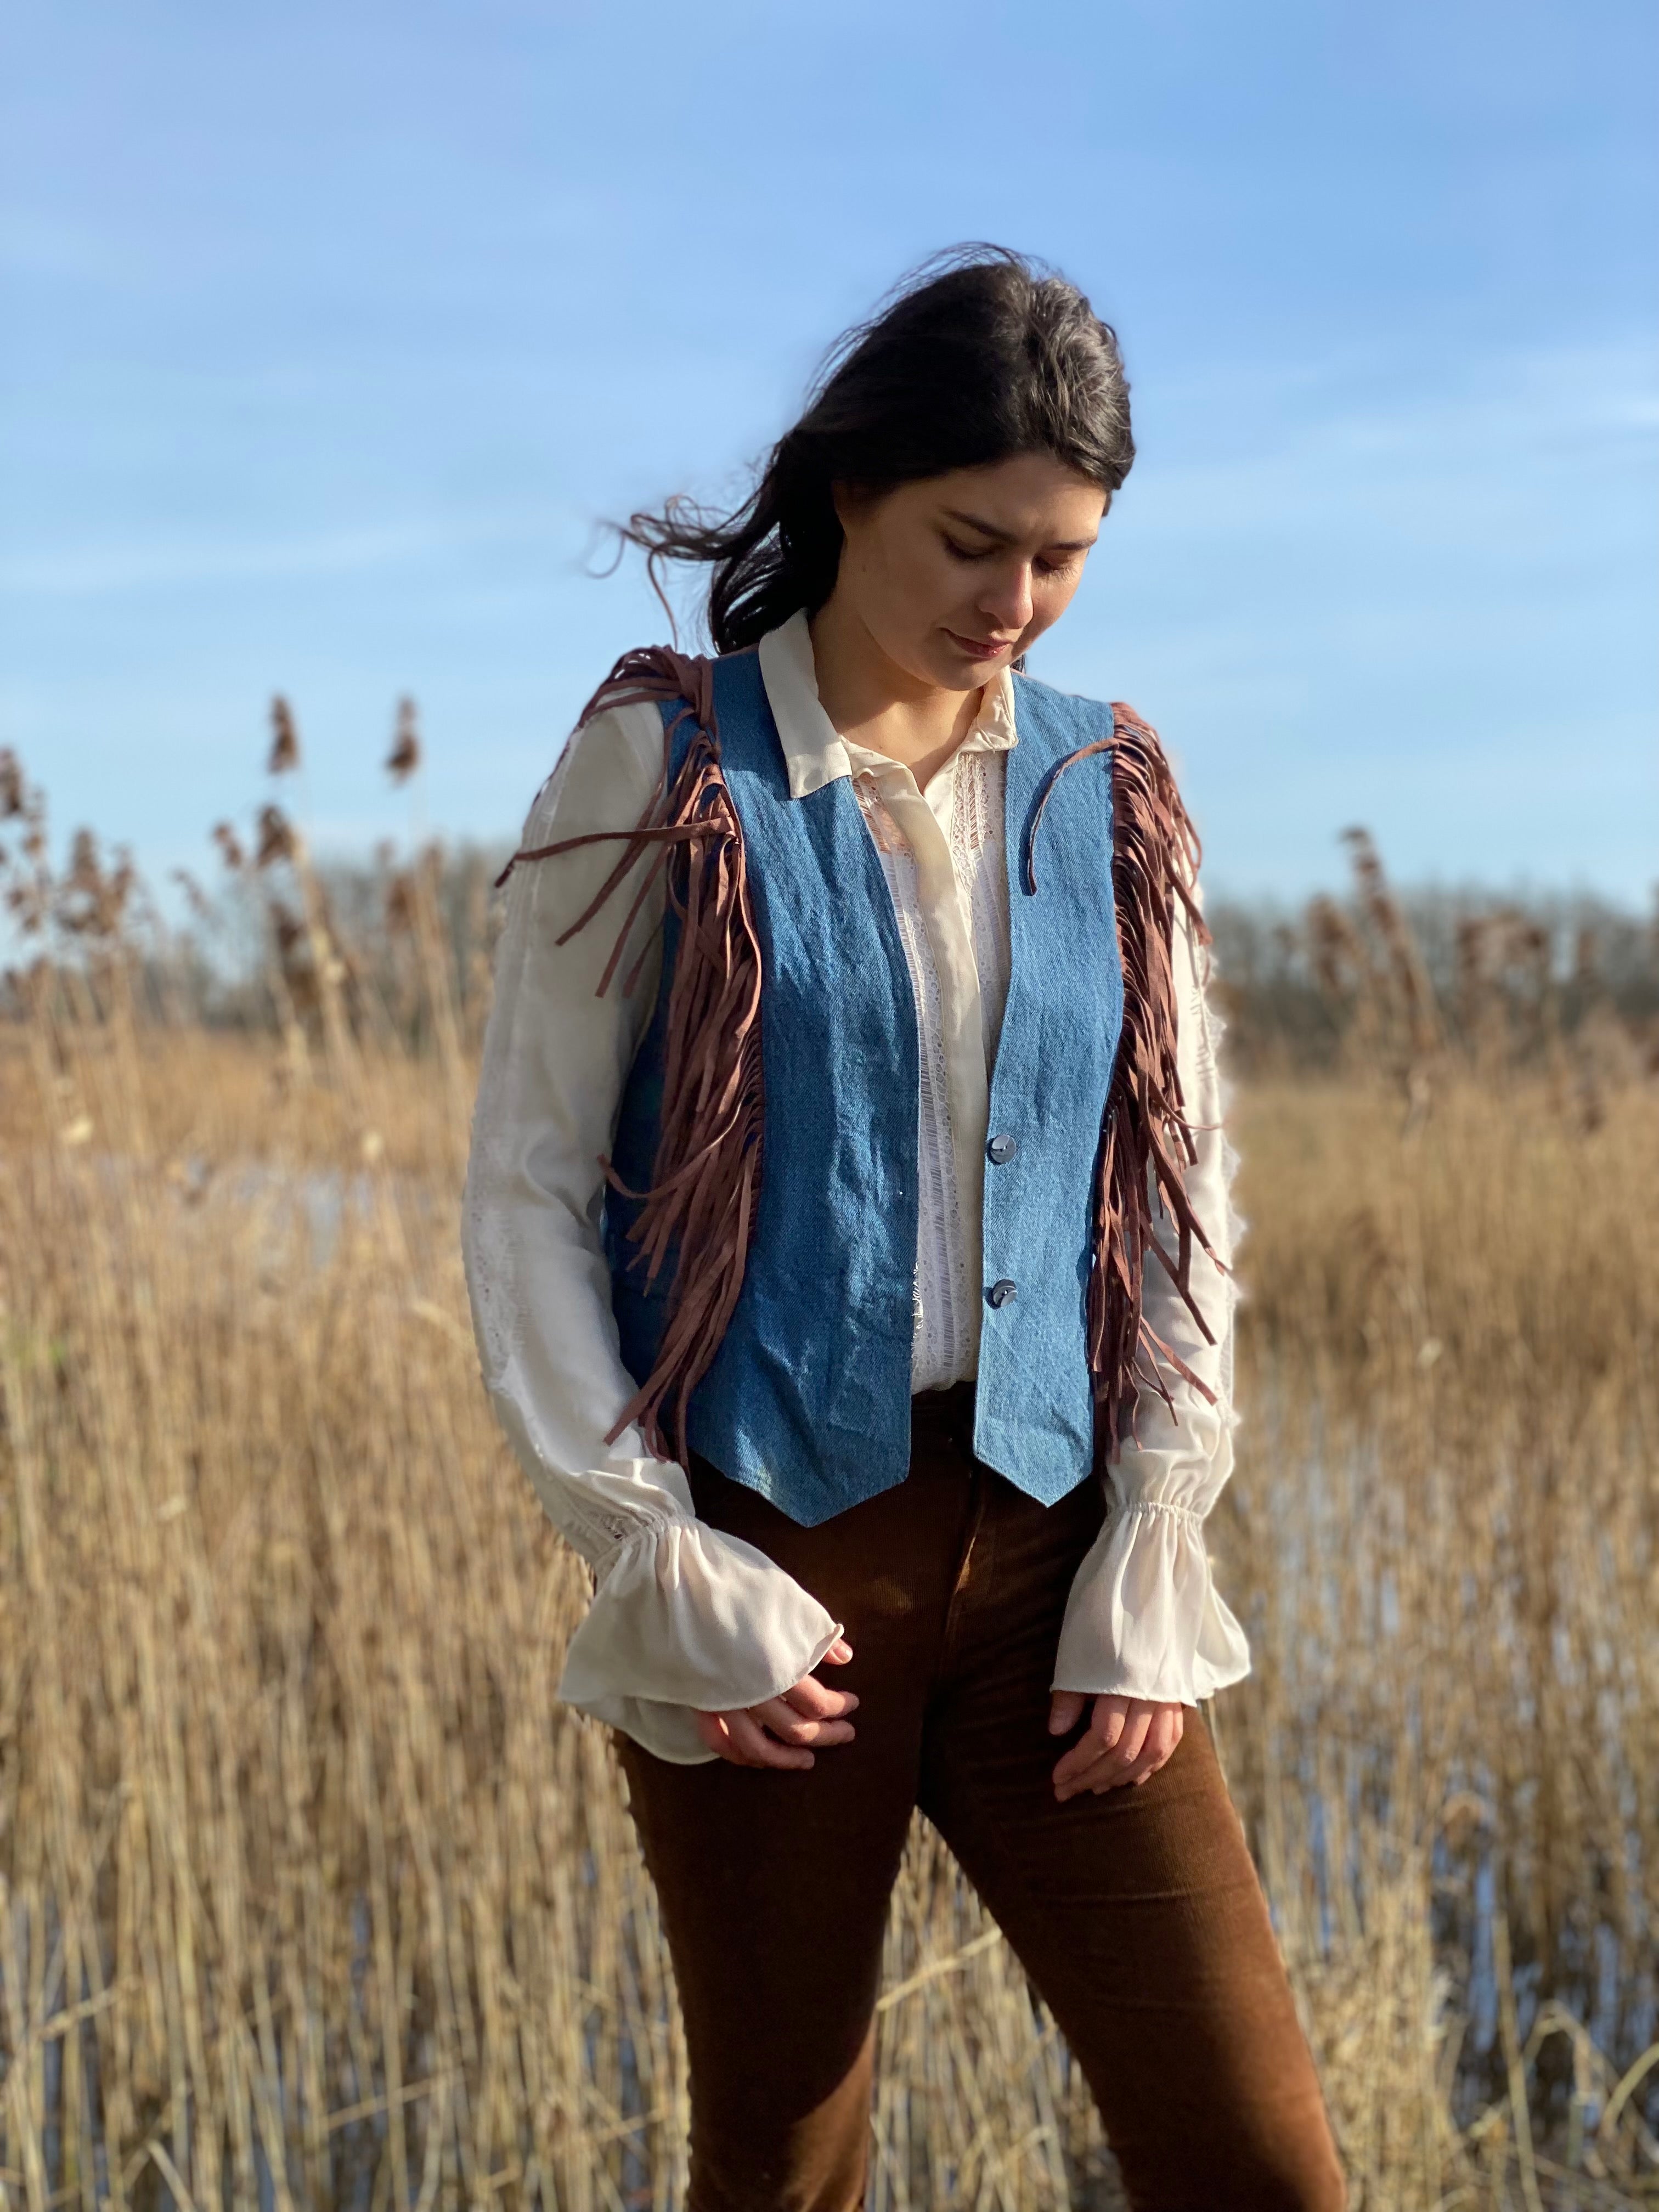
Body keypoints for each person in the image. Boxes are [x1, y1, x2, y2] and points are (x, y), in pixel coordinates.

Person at [462, 247, 1345, 2212]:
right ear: (850, 486)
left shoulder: (1108, 788)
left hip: (1055, 1567)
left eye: (1064, 559)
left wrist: (1154, 1526)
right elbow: (526, 1186)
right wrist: (651, 1547)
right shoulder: (663, 767)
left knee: (1264, 2170)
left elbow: (1180, 1184)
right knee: (784, 2173)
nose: (1010, 605)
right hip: (775, 1563)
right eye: (973, 541)